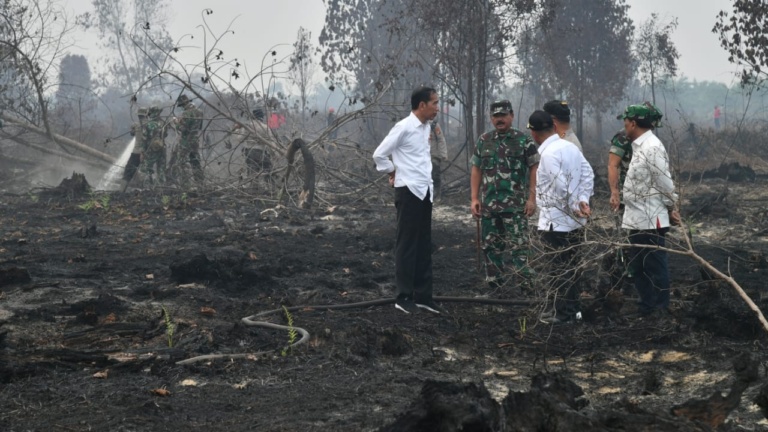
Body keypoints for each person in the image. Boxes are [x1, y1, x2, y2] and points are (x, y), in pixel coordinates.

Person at [372, 86, 445, 315]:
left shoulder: (426, 128)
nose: (437, 108)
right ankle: (403, 297)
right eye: (434, 103)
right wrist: (392, 171)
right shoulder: (403, 127)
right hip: (408, 191)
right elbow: (379, 154)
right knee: (407, 245)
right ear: (421, 105)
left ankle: (423, 296)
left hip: (425, 191)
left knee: (424, 244)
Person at [527, 110, 594, 324]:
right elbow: (588, 174)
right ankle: (572, 311)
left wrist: (575, 203)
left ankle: (563, 314)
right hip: (575, 221)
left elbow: (560, 186)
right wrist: (583, 199)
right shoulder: (570, 147)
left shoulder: (547, 155)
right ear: (554, 128)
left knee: (559, 269)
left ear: (533, 134)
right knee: (572, 267)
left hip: (556, 223)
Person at [470, 100, 539, 289]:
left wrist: (532, 199)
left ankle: (527, 287)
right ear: (491, 118)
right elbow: (476, 169)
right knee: (491, 248)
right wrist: (475, 198)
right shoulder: (484, 140)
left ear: (512, 116)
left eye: (503, 115)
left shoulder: (523, 140)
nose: (499, 119)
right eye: (495, 116)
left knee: (520, 248)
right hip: (489, 206)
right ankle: (495, 286)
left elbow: (535, 169)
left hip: (516, 207)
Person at [619, 103, 679, 317]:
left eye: (625, 122)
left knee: (655, 266)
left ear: (633, 123)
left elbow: (664, 182)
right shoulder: (640, 146)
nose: (624, 126)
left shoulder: (652, 147)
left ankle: (660, 309)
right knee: (638, 267)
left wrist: (672, 206)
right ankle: (646, 306)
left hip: (650, 219)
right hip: (637, 219)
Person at [173, 94, 204, 183]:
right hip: (195, 140)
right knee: (196, 162)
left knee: (182, 162)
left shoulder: (186, 113)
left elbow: (184, 129)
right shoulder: (200, 111)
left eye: (181, 105)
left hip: (186, 141)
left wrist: (177, 123)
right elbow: (200, 127)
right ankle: (200, 183)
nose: (182, 107)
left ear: (183, 104)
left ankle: (186, 185)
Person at [141, 106, 167, 185]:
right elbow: (165, 135)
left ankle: (147, 187)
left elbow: (144, 138)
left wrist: (142, 152)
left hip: (150, 149)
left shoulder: (147, 124)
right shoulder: (163, 123)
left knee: (147, 169)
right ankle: (161, 187)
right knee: (161, 169)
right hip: (162, 148)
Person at [429, 120, 448, 202]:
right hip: (422, 157)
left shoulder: (434, 125)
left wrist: (443, 154)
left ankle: (437, 196)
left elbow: (441, 139)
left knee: (435, 175)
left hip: (434, 156)